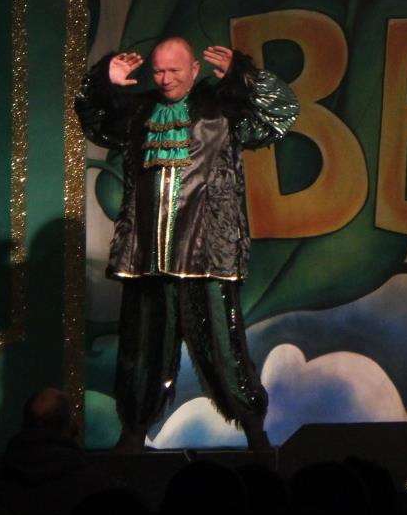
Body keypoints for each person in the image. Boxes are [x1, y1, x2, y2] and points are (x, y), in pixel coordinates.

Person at [76, 38, 298, 452]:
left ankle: (255, 435)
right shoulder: (138, 111)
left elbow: (281, 113)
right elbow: (92, 119)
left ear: (194, 68)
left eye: (173, 71)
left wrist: (245, 76)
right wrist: (103, 82)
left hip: (206, 254)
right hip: (147, 257)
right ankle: (132, 435)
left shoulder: (222, 109)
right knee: (140, 352)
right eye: (158, 71)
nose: (165, 79)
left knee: (223, 346)